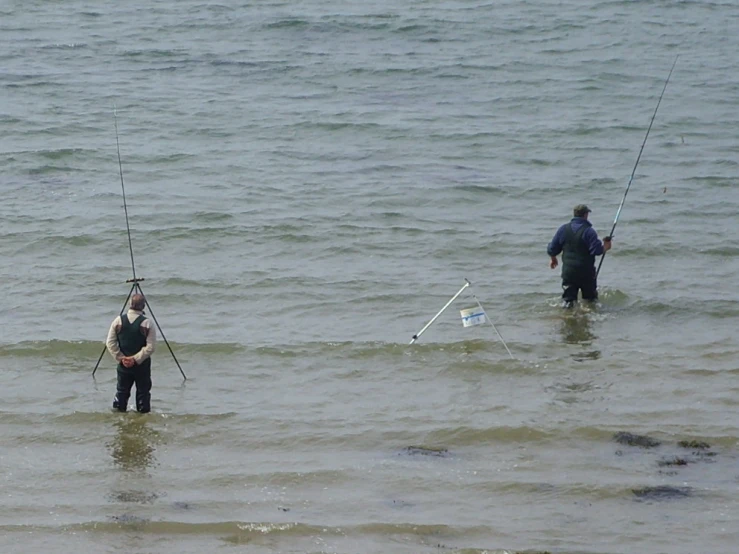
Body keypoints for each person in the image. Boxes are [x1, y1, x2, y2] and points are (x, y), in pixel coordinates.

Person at [547, 204, 612, 307]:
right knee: (590, 301)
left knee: (568, 302)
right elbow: (597, 250)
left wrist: (553, 258)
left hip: (569, 272)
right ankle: (587, 319)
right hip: (586, 272)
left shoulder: (563, 229)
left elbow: (552, 249)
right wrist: (606, 247)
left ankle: (567, 319)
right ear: (586, 215)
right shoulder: (589, 231)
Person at [106, 293, 156, 413]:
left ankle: (119, 421)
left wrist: (121, 358)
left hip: (124, 366)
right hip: (142, 366)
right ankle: (142, 422)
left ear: (129, 304)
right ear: (143, 306)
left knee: (121, 393)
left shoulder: (118, 321)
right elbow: (150, 347)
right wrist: (135, 359)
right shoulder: (147, 323)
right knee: (143, 394)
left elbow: (110, 343)